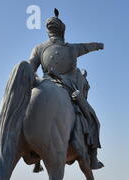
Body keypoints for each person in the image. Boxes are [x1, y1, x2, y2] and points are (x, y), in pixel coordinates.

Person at [28, 8, 104, 170]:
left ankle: (36, 161)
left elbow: (30, 69)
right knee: (93, 119)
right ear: (63, 31)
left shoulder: (39, 48)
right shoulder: (71, 49)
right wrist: (98, 45)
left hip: (44, 83)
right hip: (69, 89)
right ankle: (93, 158)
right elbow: (87, 46)